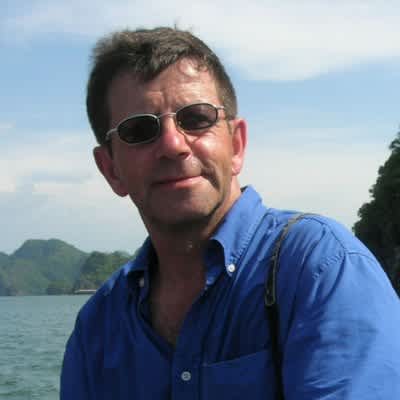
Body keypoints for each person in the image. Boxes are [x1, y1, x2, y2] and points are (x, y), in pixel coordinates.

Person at [60, 27, 400, 399]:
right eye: (140, 130)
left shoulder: (321, 269)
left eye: (196, 118)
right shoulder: (98, 328)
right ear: (110, 169)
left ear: (236, 145)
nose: (173, 145)